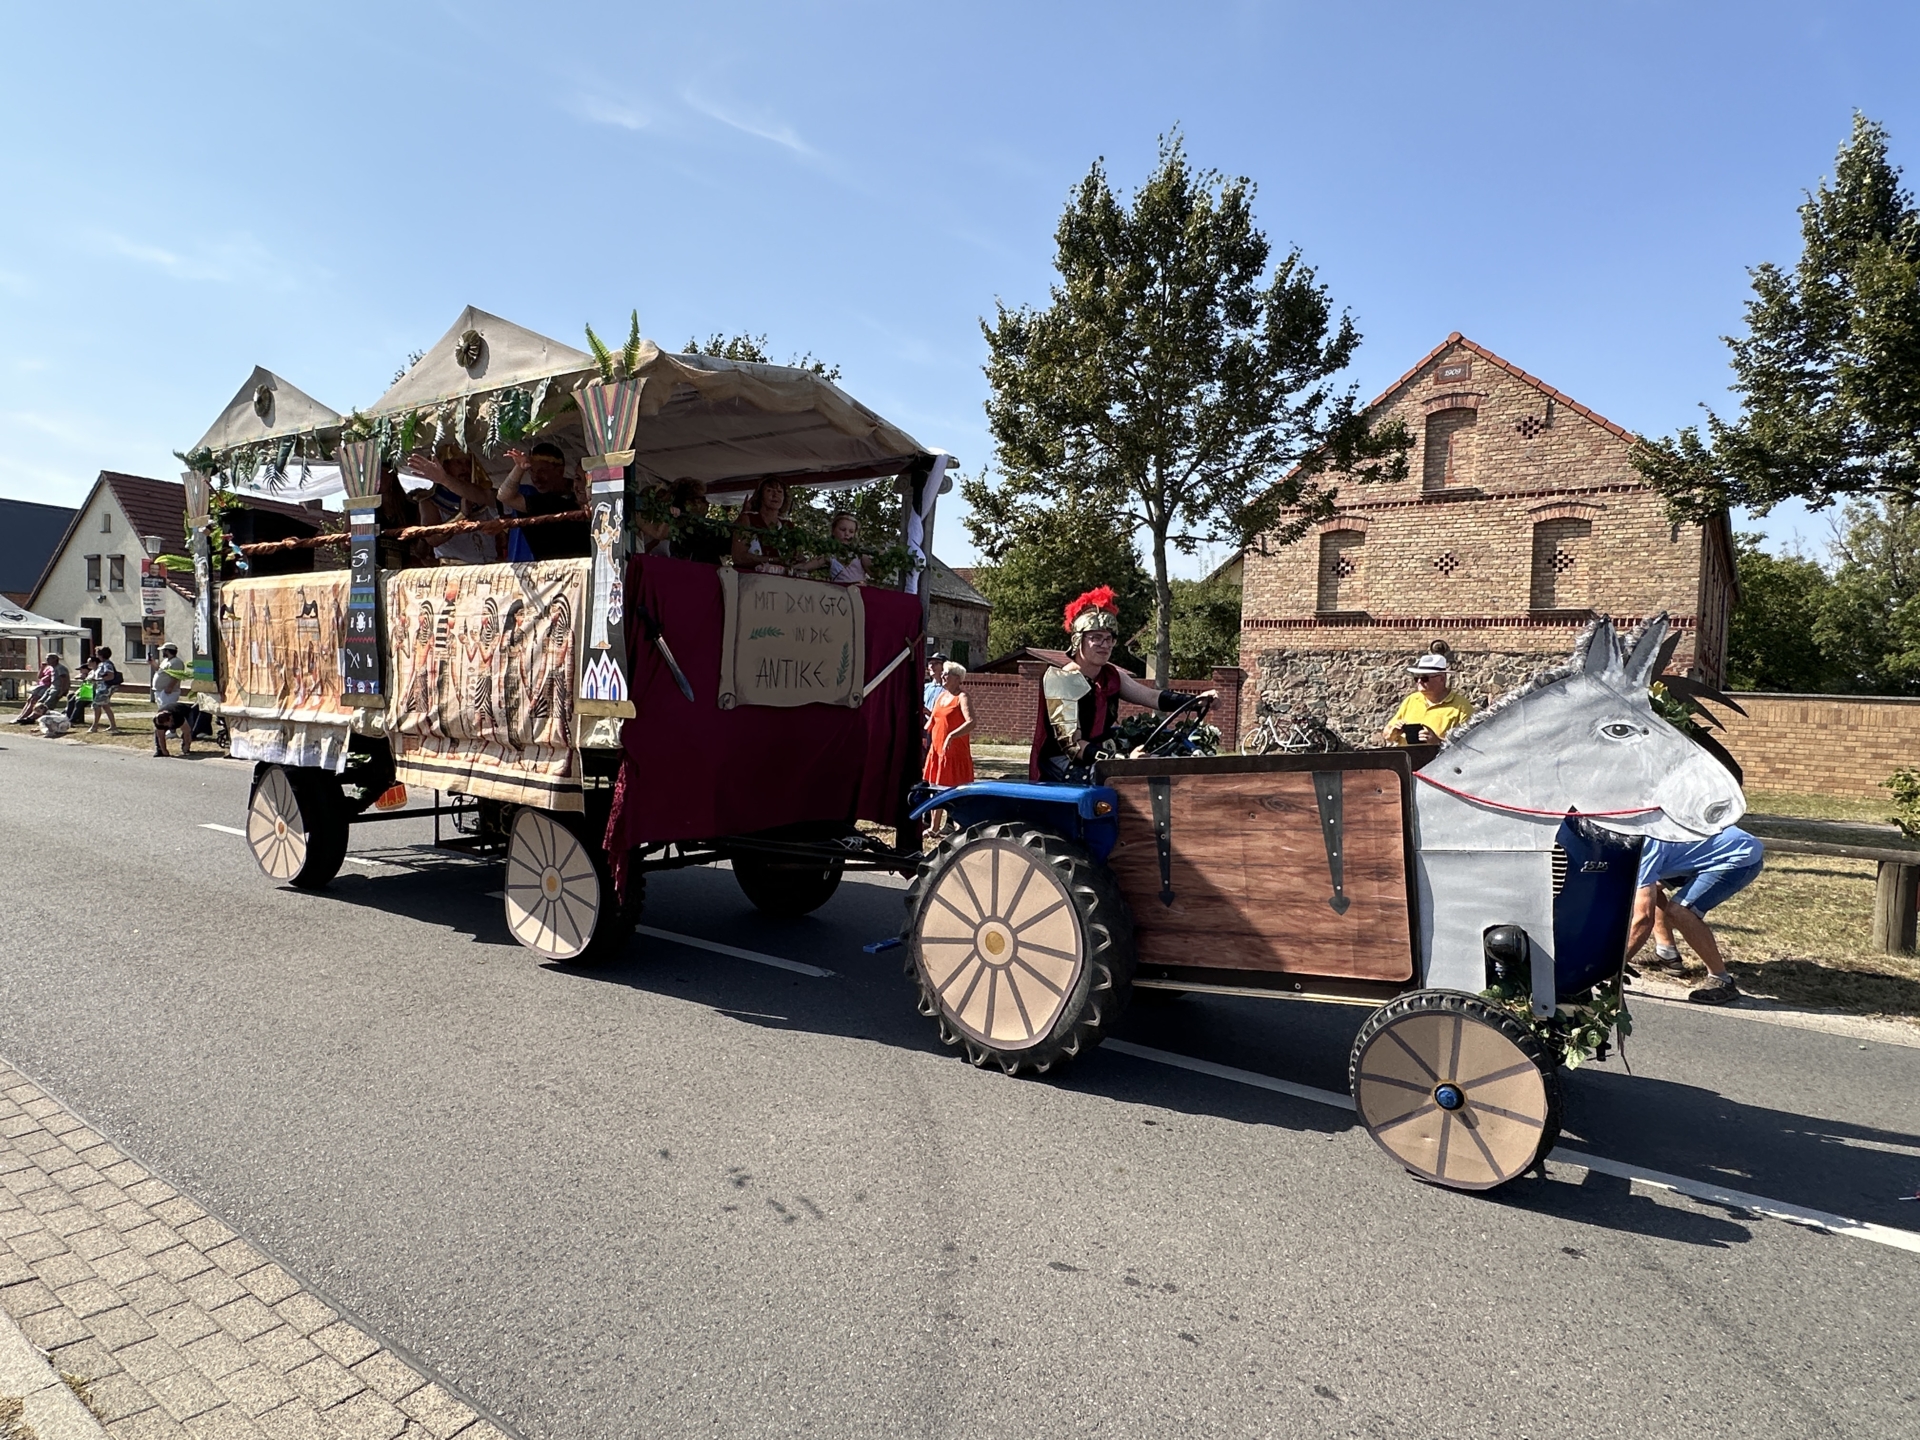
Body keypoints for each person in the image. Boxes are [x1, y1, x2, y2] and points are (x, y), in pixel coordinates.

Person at [1031, 586, 1214, 782]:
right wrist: (1121, 761)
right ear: (1078, 640)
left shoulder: (1110, 676)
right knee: (1130, 780)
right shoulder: (1062, 679)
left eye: (1109, 639)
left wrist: (1196, 701)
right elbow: (1073, 746)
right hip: (1064, 764)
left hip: (1099, 757)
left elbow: (1151, 696)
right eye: (1096, 638)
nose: (1105, 645)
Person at [1626, 824, 1764, 1005]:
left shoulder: (1643, 845)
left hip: (1738, 855)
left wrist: (1610, 969)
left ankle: (1722, 980)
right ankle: (1667, 955)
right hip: (1688, 854)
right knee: (1651, 889)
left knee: (1680, 912)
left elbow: (1643, 918)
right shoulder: (1631, 837)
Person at [495, 442, 590, 561]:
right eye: (578, 478)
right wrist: (519, 468)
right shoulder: (552, 504)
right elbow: (504, 496)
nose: (535, 478)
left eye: (542, 471)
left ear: (560, 471)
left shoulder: (609, 509)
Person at [407, 445, 500, 565]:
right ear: (445, 466)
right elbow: (433, 539)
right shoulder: (430, 501)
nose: (465, 468)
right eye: (459, 463)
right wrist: (461, 515)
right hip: (454, 570)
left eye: (468, 463)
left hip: (489, 567)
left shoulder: (483, 495)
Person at [922, 662, 976, 835]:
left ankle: (961, 828)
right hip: (937, 751)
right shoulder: (941, 697)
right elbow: (932, 721)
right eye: (943, 673)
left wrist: (952, 735)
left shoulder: (962, 697)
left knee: (956, 791)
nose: (943, 676)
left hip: (955, 752)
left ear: (957, 678)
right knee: (935, 788)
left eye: (946, 674)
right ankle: (934, 827)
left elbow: (971, 722)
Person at [1381, 652, 1474, 745]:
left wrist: (1438, 742)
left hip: (1439, 759)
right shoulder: (1412, 700)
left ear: (1441, 679)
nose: (1419, 682)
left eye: (1424, 678)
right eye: (1416, 678)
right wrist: (1393, 732)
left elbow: (1469, 745)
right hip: (1407, 757)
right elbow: (1387, 734)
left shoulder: (1462, 707)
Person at [731, 479, 796, 572]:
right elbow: (739, 557)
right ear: (760, 496)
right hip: (750, 577)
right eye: (769, 490)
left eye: (779, 492)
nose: (775, 495)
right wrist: (773, 560)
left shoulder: (788, 526)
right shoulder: (747, 519)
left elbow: (794, 557)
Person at [149, 642, 196, 757]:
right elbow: (160, 672)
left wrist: (170, 686)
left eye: (163, 650)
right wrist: (152, 663)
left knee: (169, 712)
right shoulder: (166, 661)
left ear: (167, 650)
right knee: (162, 711)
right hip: (160, 690)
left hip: (168, 691)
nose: (162, 652)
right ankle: (163, 742)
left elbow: (176, 676)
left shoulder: (176, 662)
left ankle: (172, 731)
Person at [668, 478, 728, 565]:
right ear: (688, 503)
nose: (707, 503)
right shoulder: (685, 529)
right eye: (703, 499)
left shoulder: (678, 525)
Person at [14, 654, 67, 725]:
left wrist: (62, 691)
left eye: (49, 659)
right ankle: (29, 717)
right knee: (39, 702)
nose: (47, 661)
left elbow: (64, 680)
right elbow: (40, 676)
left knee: (47, 704)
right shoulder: (52, 667)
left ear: (55, 659)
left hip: (57, 688)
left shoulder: (60, 668)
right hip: (51, 687)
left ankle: (32, 718)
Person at [85, 647, 122, 734]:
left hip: (105, 688)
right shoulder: (103, 664)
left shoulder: (107, 664)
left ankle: (94, 726)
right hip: (102, 687)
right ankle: (113, 726)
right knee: (105, 706)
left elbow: (110, 676)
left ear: (101, 654)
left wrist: (97, 680)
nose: (96, 655)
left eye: (97, 653)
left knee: (96, 705)